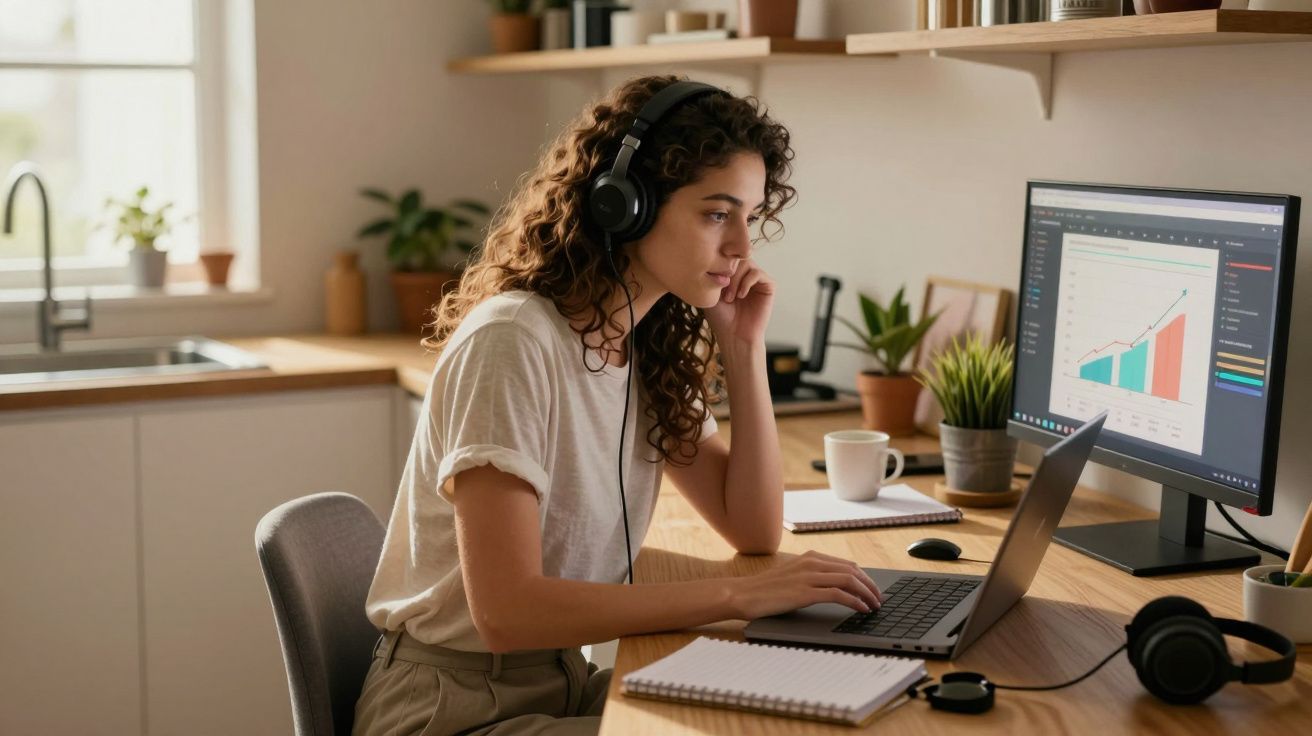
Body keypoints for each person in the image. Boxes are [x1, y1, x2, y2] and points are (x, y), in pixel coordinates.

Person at [352, 75, 884, 736]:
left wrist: (744, 351)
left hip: (555, 682)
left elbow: (751, 528)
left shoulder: (643, 345)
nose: (743, 247)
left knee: (797, 711)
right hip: (449, 710)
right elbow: (506, 611)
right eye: (717, 213)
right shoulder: (514, 342)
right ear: (623, 204)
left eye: (749, 217)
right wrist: (736, 596)